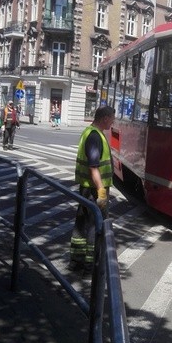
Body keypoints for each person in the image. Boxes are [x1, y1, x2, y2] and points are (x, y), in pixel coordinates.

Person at [69, 105, 115, 275]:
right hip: (94, 190)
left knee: (81, 225)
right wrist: (102, 193)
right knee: (95, 226)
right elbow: (94, 167)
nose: (113, 122)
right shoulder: (95, 136)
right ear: (104, 118)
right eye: (112, 119)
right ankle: (90, 265)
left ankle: (76, 261)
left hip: (86, 188)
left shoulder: (88, 132)